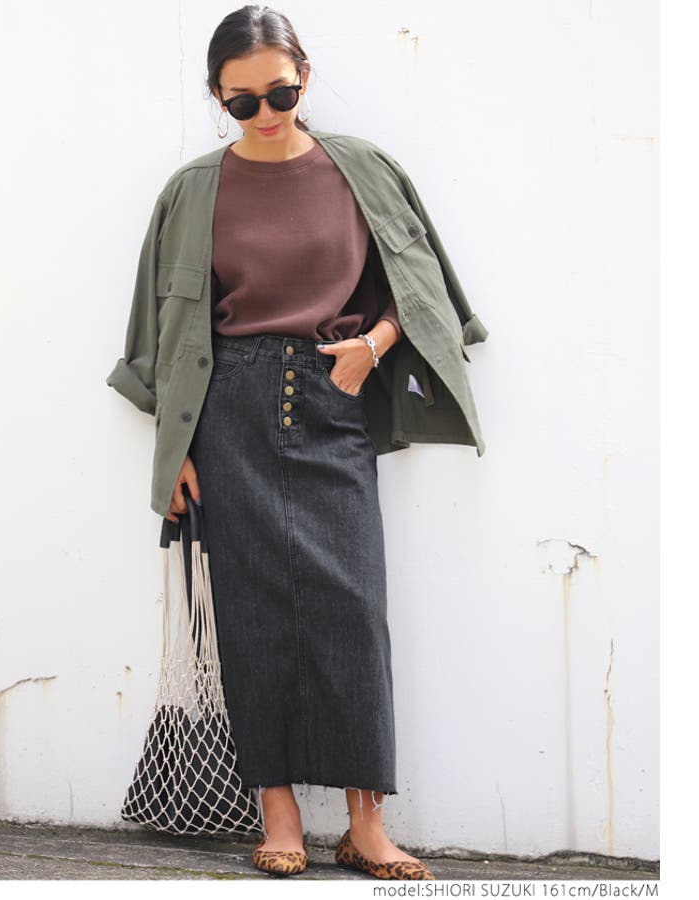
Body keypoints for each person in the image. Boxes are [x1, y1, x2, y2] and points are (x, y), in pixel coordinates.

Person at [110, 4, 488, 880]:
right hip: (230, 406)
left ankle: (366, 828)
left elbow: (420, 287)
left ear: (305, 77)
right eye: (241, 101)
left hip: (332, 399)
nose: (264, 113)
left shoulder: (364, 171)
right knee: (251, 615)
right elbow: (159, 329)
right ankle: (277, 817)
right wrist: (176, 450)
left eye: (279, 93)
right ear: (216, 97)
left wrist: (373, 347)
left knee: (353, 613)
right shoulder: (192, 190)